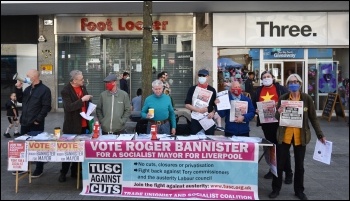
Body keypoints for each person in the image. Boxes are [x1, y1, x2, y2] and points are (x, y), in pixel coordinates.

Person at [268, 73, 326, 200]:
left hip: (301, 136)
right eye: (291, 82)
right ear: (288, 85)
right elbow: (276, 118)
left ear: (300, 84)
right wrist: (278, 112)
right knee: (280, 164)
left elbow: (313, 118)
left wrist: (320, 134)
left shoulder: (306, 98)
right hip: (284, 135)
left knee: (300, 165)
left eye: (296, 82)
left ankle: (299, 190)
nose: (293, 84)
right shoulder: (283, 98)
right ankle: (275, 189)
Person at [252, 70, 293, 182]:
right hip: (266, 123)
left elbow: (289, 102)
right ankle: (273, 169)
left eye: (268, 76)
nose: (266, 78)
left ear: (273, 78)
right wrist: (256, 110)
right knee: (271, 148)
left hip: (279, 123)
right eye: (264, 77)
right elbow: (253, 103)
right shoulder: (258, 90)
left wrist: (278, 104)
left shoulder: (281, 89)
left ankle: (288, 172)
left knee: (283, 148)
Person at [15, 69, 52, 178]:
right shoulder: (27, 89)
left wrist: (38, 120)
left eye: (27, 75)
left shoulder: (45, 90)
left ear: (34, 77)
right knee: (23, 147)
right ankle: (23, 167)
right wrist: (18, 89)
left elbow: (46, 107)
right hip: (25, 122)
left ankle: (39, 169)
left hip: (36, 123)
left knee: (37, 147)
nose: (25, 77)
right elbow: (20, 100)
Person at [59, 70, 93, 182]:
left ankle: (75, 171)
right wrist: (82, 100)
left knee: (80, 150)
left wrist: (89, 101)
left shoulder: (83, 87)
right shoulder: (66, 90)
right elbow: (69, 107)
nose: (83, 80)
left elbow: (85, 103)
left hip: (84, 123)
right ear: (74, 80)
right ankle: (63, 172)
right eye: (81, 79)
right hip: (72, 124)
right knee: (68, 150)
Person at [185, 69, 217, 135]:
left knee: (209, 140)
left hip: (208, 119)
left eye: (204, 75)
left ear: (208, 77)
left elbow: (215, 105)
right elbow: (187, 105)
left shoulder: (212, 90)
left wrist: (213, 113)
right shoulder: (192, 89)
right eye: (200, 75)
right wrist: (198, 110)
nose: (202, 77)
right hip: (195, 119)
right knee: (194, 140)